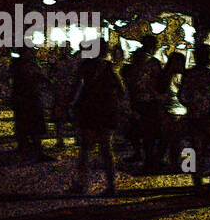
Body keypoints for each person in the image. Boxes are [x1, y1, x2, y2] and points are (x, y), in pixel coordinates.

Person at [65, 40, 125, 196]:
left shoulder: (85, 66)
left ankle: (82, 184)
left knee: (86, 149)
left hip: (89, 111)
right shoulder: (110, 68)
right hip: (106, 112)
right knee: (106, 150)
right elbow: (121, 91)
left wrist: (70, 104)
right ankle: (111, 185)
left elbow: (76, 88)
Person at [179, 42, 210, 189]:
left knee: (194, 151)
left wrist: (192, 105)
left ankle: (197, 183)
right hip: (209, 118)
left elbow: (181, 96)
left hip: (193, 117)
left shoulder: (189, 74)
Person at [127, 36, 165, 172]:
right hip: (150, 101)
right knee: (151, 133)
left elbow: (130, 82)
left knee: (138, 131)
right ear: (152, 46)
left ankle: (141, 156)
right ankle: (150, 161)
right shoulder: (153, 62)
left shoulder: (134, 61)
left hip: (136, 100)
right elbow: (160, 82)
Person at [11, 46, 50, 162]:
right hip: (25, 99)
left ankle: (33, 151)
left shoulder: (23, 65)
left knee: (31, 126)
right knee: (29, 126)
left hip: (29, 98)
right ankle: (31, 151)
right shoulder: (21, 66)